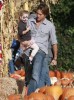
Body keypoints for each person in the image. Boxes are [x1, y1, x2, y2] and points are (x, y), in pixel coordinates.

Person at [27, 3, 58, 95]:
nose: (38, 16)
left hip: (41, 50)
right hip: (29, 49)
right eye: (37, 13)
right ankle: (43, 92)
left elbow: (54, 42)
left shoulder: (50, 25)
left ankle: (30, 95)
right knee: (43, 73)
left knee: (35, 73)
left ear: (45, 15)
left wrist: (55, 58)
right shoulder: (30, 21)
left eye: (40, 14)